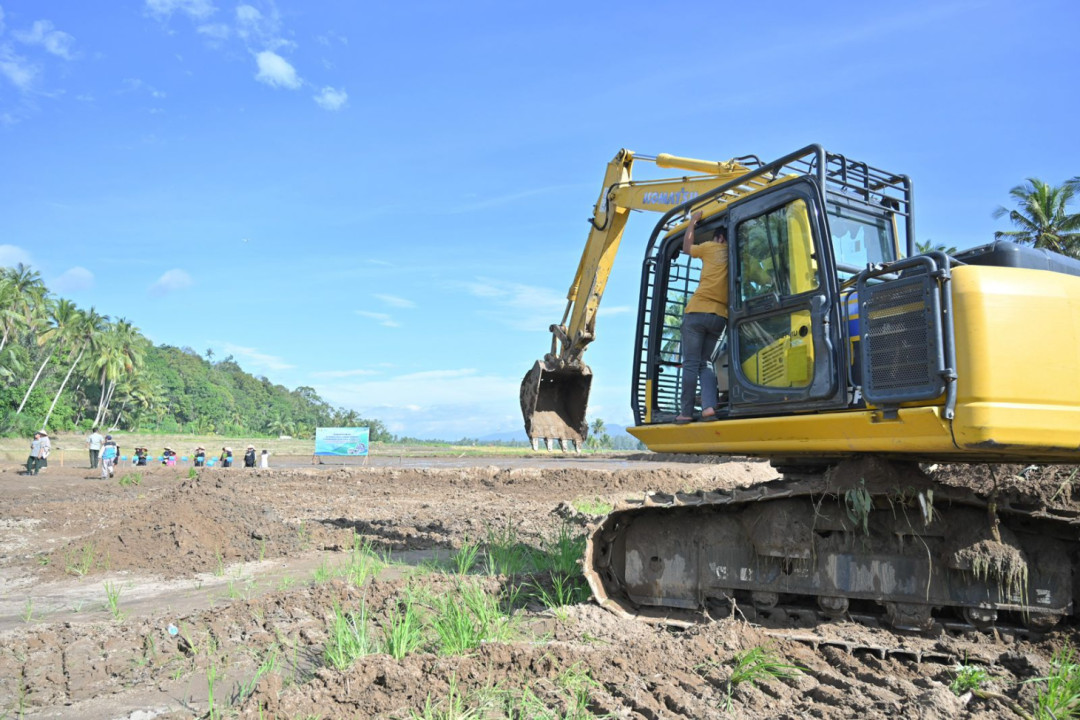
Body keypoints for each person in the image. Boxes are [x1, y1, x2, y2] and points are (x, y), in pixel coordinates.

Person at [675, 210, 729, 424]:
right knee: (705, 363)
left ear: (719, 237)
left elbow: (687, 247)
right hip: (719, 317)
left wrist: (692, 222)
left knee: (690, 364)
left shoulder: (711, 247)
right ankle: (708, 408)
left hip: (697, 312)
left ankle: (686, 412)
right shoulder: (734, 256)